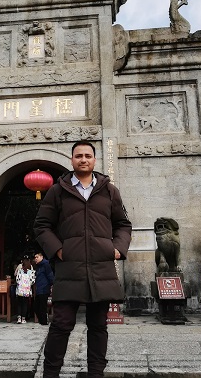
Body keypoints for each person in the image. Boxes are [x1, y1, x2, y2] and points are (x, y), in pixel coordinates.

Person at [33, 141, 132, 378]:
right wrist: (58, 250)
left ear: (95, 160)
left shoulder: (109, 191)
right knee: (61, 324)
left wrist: (117, 248)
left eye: (88, 155)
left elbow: (123, 224)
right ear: (72, 160)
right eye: (79, 156)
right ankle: (51, 373)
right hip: (69, 269)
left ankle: (96, 373)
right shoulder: (58, 190)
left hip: (101, 268)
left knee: (98, 326)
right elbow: (42, 225)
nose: (83, 159)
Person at [33, 251, 54, 325]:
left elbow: (50, 275)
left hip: (44, 288)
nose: (36, 259)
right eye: (35, 257)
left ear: (42, 257)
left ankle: (44, 321)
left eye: (37, 257)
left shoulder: (46, 264)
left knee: (42, 306)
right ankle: (42, 320)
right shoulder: (38, 266)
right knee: (36, 306)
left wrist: (52, 284)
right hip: (39, 288)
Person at [14, 256, 36, 324]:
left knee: (19, 303)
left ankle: (19, 317)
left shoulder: (20, 271)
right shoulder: (31, 272)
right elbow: (33, 281)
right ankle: (24, 318)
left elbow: (17, 279)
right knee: (25, 304)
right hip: (27, 290)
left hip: (20, 290)